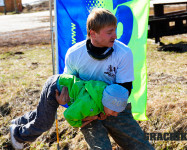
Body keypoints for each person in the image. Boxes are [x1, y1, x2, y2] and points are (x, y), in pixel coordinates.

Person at [56, 8, 155, 150]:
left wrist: (106, 111)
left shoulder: (124, 53)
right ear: (92, 33)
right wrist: (64, 101)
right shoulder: (74, 54)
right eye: (109, 32)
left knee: (142, 148)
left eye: (115, 30)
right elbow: (66, 85)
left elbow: (125, 89)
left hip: (116, 108)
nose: (115, 36)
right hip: (87, 110)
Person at [9, 73, 129, 149]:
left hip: (60, 81)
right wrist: (80, 123)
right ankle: (18, 134)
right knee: (45, 122)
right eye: (114, 110)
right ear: (106, 103)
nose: (116, 114)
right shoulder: (89, 105)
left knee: (43, 113)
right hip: (55, 88)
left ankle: (18, 122)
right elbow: (69, 114)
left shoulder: (102, 92)